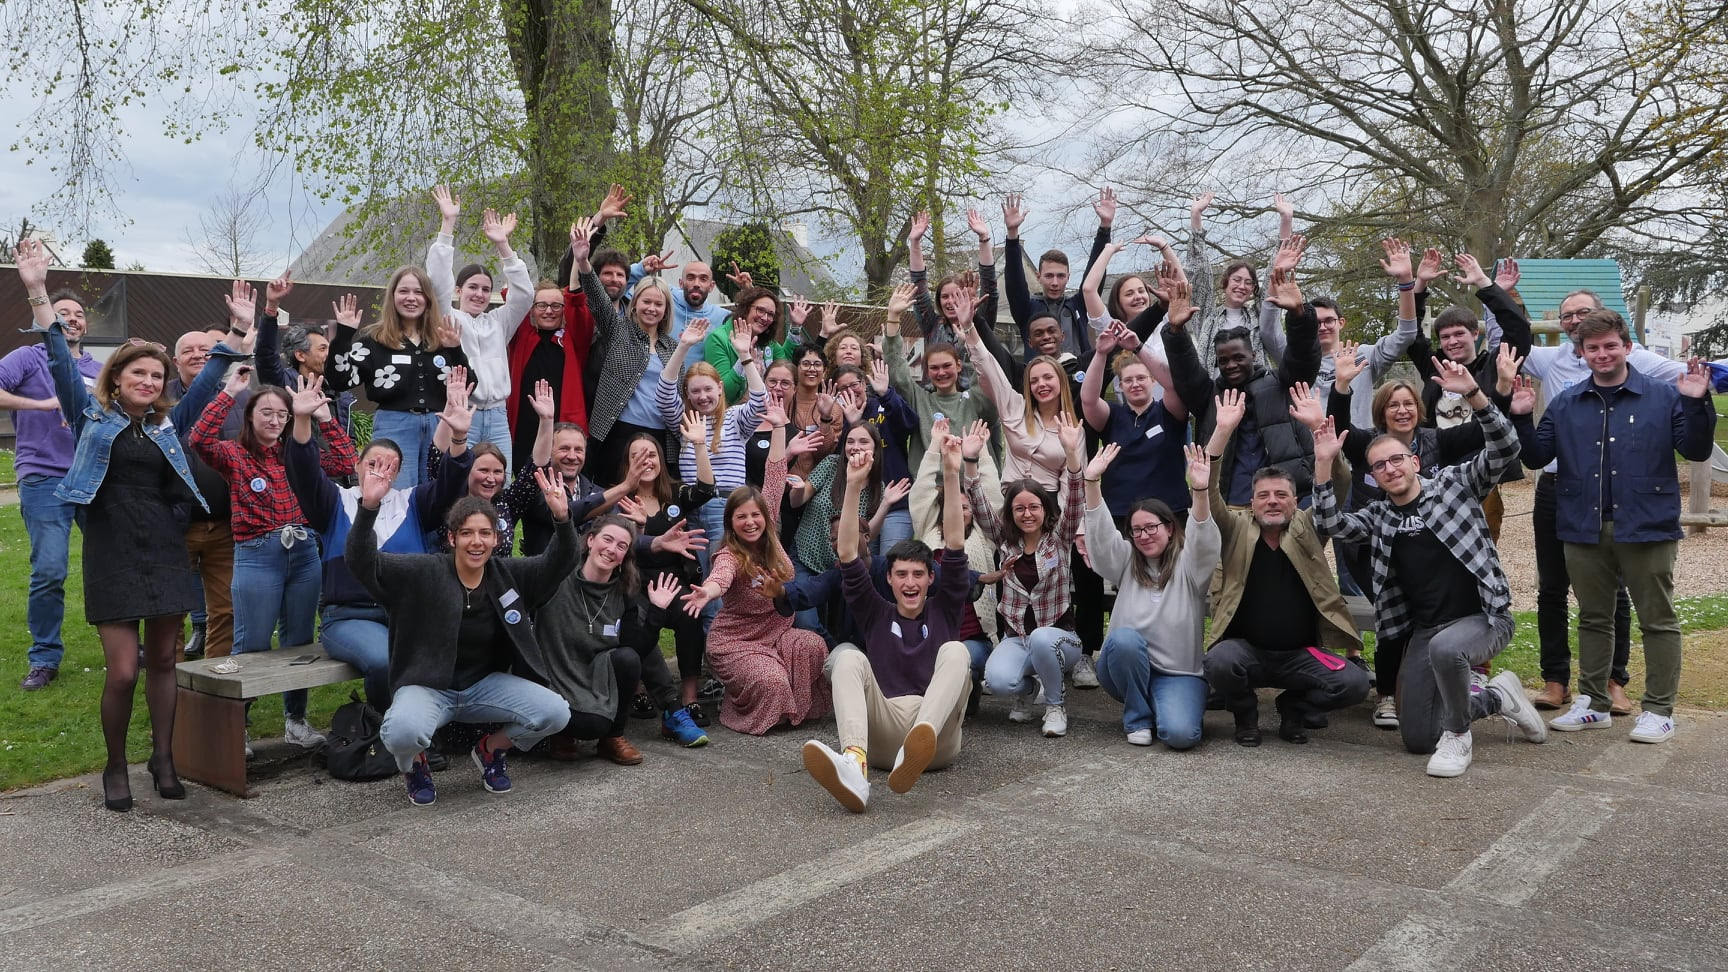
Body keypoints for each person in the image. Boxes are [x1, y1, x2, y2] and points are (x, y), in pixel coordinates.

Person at [13, 238, 232, 810]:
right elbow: (59, 357)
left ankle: (162, 757)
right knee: (123, 670)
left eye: (157, 376)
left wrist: (236, 331)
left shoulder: (166, 426)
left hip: (164, 548)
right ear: (117, 376)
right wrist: (37, 289)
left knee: (164, 660)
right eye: (139, 372)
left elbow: (208, 383)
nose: (150, 381)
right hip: (111, 549)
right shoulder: (91, 415)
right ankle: (116, 764)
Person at [1313, 358, 1549, 777]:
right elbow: (1331, 524)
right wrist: (1322, 463)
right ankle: (1497, 698)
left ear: (1415, 461)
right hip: (1426, 629)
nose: (1389, 468)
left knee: (1448, 650)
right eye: (1379, 466)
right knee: (1418, 737)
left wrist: (1476, 394)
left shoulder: (1456, 485)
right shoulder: (1380, 515)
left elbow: (1506, 448)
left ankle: (1459, 736)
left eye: (1396, 459)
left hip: (1483, 619)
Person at [1512, 310, 1716, 743]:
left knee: (1657, 618)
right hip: (1583, 526)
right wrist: (1519, 417)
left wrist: (1698, 403)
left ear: (1627, 347)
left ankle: (1659, 709)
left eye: (1610, 345)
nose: (1602, 354)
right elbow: (1534, 457)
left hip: (1646, 524)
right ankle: (1593, 702)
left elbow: (1696, 450)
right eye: (1593, 348)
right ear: (1582, 353)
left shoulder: (1664, 396)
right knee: (1593, 617)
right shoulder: (1567, 401)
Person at [348, 466, 578, 806]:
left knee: (556, 712)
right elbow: (362, 563)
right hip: (428, 686)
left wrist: (562, 518)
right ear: (452, 538)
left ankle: (489, 750)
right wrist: (368, 508)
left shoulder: (509, 574)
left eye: (485, 533)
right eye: (467, 533)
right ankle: (414, 763)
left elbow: (560, 563)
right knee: (402, 732)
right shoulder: (421, 572)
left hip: (483, 686)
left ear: (497, 539)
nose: (476, 542)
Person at [801, 434, 975, 812]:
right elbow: (848, 551)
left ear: (932, 578)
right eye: (901, 575)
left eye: (918, 574)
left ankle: (920, 738)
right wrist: (852, 485)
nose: (910, 582)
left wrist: (950, 472)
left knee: (957, 651)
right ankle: (854, 766)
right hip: (885, 733)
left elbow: (956, 544)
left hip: (938, 736)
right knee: (847, 657)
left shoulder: (944, 608)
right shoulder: (874, 610)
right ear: (890, 578)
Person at [193, 370, 357, 751]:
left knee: (299, 642)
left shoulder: (299, 453)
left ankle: (295, 720)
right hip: (256, 554)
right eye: (266, 412)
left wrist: (324, 418)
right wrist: (228, 394)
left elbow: (348, 461)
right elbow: (199, 440)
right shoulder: (234, 454)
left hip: (302, 553)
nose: (274, 420)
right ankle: (238, 724)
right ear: (250, 416)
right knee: (251, 642)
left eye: (281, 415)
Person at [287, 375, 474, 708]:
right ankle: (379, 732)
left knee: (451, 652)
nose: (380, 471)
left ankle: (425, 733)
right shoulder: (334, 502)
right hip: (350, 617)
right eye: (372, 463)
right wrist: (301, 419)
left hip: (406, 615)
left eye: (391, 466)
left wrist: (458, 437)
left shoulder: (412, 502)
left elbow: (450, 485)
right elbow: (303, 471)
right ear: (357, 464)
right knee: (384, 661)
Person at [1200, 389, 1369, 747]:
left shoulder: (1309, 525)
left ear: (1296, 501)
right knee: (1217, 661)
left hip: (1299, 655)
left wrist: (1317, 432)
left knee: (1353, 684)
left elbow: (1339, 486)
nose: (1272, 501)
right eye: (1263, 495)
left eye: (1281, 495)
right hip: (1246, 651)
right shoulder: (1234, 527)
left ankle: (1292, 706)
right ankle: (1244, 711)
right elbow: (1208, 492)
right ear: (1251, 502)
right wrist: (1223, 432)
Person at [678, 418, 832, 735]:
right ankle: (741, 702)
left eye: (755, 515)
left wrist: (778, 428)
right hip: (736, 643)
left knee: (814, 647)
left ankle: (788, 706)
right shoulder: (729, 554)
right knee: (772, 682)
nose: (750, 522)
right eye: (741, 517)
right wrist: (708, 592)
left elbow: (774, 476)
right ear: (731, 522)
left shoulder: (772, 534)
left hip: (777, 636)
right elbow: (721, 577)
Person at [0, 271, 104, 689]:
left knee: (109, 566)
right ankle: (44, 657)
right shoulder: (27, 358)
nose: (73, 319)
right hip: (43, 476)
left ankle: (125, 645)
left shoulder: (100, 368)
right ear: (47, 319)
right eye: (63, 313)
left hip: (94, 477)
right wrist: (43, 403)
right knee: (49, 569)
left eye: (79, 314)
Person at [535, 517, 709, 765]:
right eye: (607, 539)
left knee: (625, 660)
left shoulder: (622, 592)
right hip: (555, 678)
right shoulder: (558, 577)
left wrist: (657, 611)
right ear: (591, 540)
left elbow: (636, 650)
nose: (611, 549)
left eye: (621, 546)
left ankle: (612, 737)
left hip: (594, 677)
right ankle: (560, 734)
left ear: (625, 556)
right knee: (567, 720)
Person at [1086, 438, 1220, 748]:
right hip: (1124, 666)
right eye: (1137, 530)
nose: (1144, 535)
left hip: (1178, 673)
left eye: (1152, 527)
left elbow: (1204, 539)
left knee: (1181, 735)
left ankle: (1161, 706)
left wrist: (1199, 492)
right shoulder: (1126, 562)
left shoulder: (1190, 567)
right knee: (1123, 639)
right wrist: (1092, 483)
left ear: (1170, 528)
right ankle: (1137, 716)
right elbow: (1102, 537)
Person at [1166, 243, 1321, 507]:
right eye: (1223, 360)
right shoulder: (1210, 395)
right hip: (1232, 503)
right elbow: (1186, 372)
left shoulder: (1279, 384)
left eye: (1239, 357)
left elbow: (1303, 359)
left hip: (1284, 500)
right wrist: (1176, 333)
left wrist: (1298, 314)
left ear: (1253, 354)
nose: (1231, 365)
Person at [967, 413, 1087, 738]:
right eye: (1019, 508)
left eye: (1034, 507)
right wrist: (970, 462)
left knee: (1041, 638)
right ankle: (1025, 688)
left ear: (1045, 509)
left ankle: (1054, 704)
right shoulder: (1006, 542)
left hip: (1060, 638)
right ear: (1011, 513)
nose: (1027, 514)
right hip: (1017, 637)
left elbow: (1075, 499)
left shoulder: (1059, 540)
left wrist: (1073, 456)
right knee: (998, 681)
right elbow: (978, 506)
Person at [613, 414, 720, 726]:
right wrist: (651, 530)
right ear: (627, 463)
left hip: (674, 578)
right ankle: (637, 688)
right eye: (638, 456)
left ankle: (689, 697)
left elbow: (705, 489)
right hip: (634, 580)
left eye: (652, 454)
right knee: (636, 621)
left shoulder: (673, 494)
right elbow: (623, 543)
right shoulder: (619, 497)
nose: (647, 460)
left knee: (689, 612)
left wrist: (699, 444)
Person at [328, 265, 465, 488]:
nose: (411, 298)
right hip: (394, 424)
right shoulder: (374, 341)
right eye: (404, 291)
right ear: (392, 297)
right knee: (396, 494)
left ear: (428, 299)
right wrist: (344, 335)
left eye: (419, 292)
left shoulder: (441, 340)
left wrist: (456, 350)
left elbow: (469, 385)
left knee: (438, 494)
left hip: (440, 425)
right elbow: (340, 380)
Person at [428, 187, 533, 470]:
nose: (479, 294)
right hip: (464, 413)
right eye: (472, 287)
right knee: (459, 482)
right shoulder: (448, 317)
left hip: (498, 415)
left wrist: (504, 246)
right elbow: (437, 280)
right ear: (459, 290)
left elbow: (525, 295)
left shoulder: (498, 321)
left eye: (486, 289)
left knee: (499, 482)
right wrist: (447, 225)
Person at [570, 215, 678, 486]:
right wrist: (583, 261)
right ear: (635, 302)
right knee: (611, 496)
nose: (651, 309)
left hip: (658, 435)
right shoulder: (618, 330)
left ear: (666, 310)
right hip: (617, 431)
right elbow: (596, 297)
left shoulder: (673, 348)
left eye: (658, 304)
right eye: (646, 302)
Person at [658, 317, 766, 581]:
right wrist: (682, 347)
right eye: (695, 391)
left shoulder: (735, 418)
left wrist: (745, 357)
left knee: (724, 580)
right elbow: (663, 393)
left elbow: (760, 402)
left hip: (727, 506)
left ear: (720, 388)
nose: (702, 396)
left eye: (708, 389)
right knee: (703, 580)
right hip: (693, 507)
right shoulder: (685, 420)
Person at [1001, 188, 1115, 360]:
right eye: (1049, 276)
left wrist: (1105, 228)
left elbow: (1094, 276)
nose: (1055, 282)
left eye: (1061, 276)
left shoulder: (1079, 305)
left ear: (1068, 277)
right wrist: (1012, 236)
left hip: (1078, 380)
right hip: (1041, 381)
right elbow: (1014, 280)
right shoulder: (1027, 308)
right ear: (1038, 276)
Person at [1186, 191, 1290, 375]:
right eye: (1237, 280)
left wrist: (1286, 219)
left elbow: (1275, 274)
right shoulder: (1208, 317)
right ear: (1225, 283)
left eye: (1248, 283)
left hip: (1255, 393)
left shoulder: (1257, 316)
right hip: (1217, 394)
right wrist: (1196, 216)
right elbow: (1200, 273)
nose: (1242, 286)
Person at [906, 207, 998, 386]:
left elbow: (990, 289)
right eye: (944, 297)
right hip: (936, 399)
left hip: (974, 400)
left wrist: (984, 239)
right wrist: (915, 242)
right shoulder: (932, 325)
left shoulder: (980, 322)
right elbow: (919, 284)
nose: (949, 301)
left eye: (955, 295)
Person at [705, 287, 795, 404]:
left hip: (765, 414)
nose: (765, 318)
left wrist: (796, 328)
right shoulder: (718, 339)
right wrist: (743, 359)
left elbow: (787, 366)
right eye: (760, 310)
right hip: (733, 416)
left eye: (770, 314)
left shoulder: (767, 342)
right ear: (746, 308)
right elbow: (722, 392)